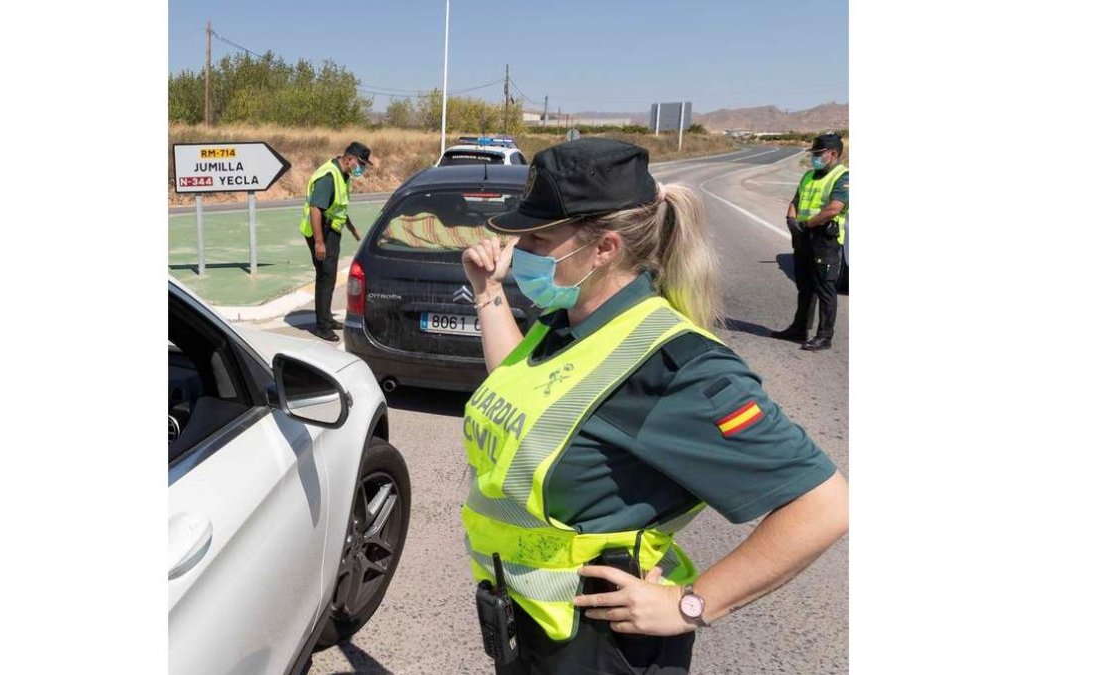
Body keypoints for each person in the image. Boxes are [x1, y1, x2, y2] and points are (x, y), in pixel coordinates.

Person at [459, 138, 849, 675]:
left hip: (601, 647)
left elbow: (824, 506)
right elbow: (516, 391)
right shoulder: (566, 324)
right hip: (534, 626)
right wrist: (488, 294)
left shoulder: (673, 366)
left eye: (538, 237)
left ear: (605, 249)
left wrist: (693, 604)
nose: (517, 250)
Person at [771, 132, 849, 351]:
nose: (814, 157)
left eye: (818, 153)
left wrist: (806, 225)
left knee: (825, 289)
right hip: (803, 238)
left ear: (833, 154)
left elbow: (834, 208)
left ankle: (824, 336)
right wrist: (791, 219)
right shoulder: (808, 175)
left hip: (825, 240)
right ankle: (799, 329)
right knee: (804, 287)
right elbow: (796, 200)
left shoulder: (844, 177)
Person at [299, 141, 372, 342]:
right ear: (350, 159)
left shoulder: (343, 174)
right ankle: (322, 326)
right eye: (361, 163)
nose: (362, 168)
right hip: (320, 231)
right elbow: (316, 209)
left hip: (331, 229)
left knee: (329, 277)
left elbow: (337, 207)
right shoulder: (329, 177)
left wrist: (351, 227)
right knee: (325, 276)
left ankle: (327, 318)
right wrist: (319, 242)